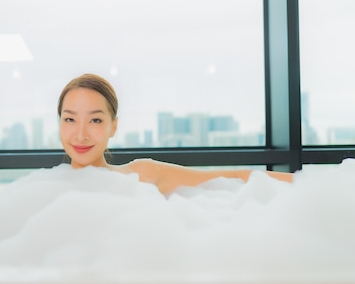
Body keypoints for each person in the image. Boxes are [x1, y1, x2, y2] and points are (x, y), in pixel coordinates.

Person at [58, 73, 293, 195]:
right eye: (70, 119)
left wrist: (308, 183)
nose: (81, 134)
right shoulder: (43, 191)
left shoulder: (141, 176)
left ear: (114, 127)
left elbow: (232, 178)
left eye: (95, 120)